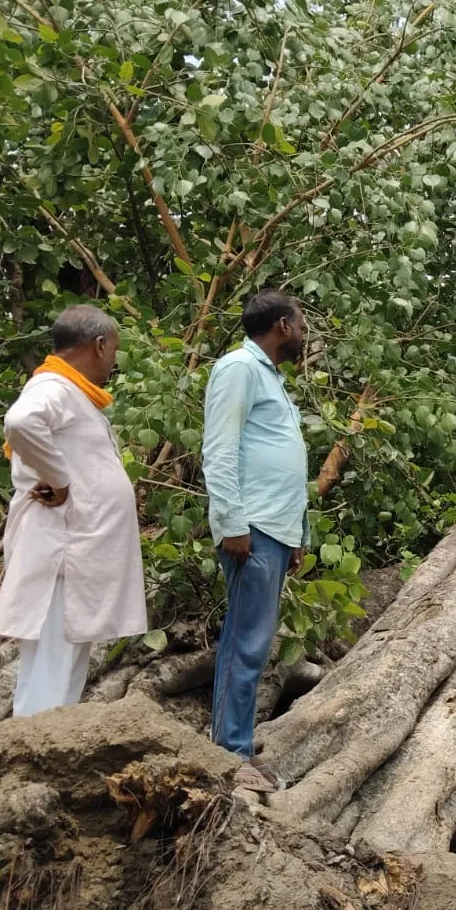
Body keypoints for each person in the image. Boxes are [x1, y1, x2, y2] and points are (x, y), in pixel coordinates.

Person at [0, 305, 147, 716]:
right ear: (99, 345)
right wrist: (60, 481)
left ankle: (48, 754)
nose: (114, 359)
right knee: (51, 666)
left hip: (75, 556)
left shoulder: (71, 391)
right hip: (62, 553)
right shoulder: (54, 388)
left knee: (64, 665)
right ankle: (30, 757)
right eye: (113, 349)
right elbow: (21, 422)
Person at [202, 290, 308, 791]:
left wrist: (298, 535)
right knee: (243, 644)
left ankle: (236, 747)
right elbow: (219, 449)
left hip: (275, 530)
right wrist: (231, 523)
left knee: (255, 643)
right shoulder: (238, 369)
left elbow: (281, 461)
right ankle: (229, 755)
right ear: (283, 326)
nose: (305, 333)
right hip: (253, 528)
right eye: (302, 323)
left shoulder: (271, 378)